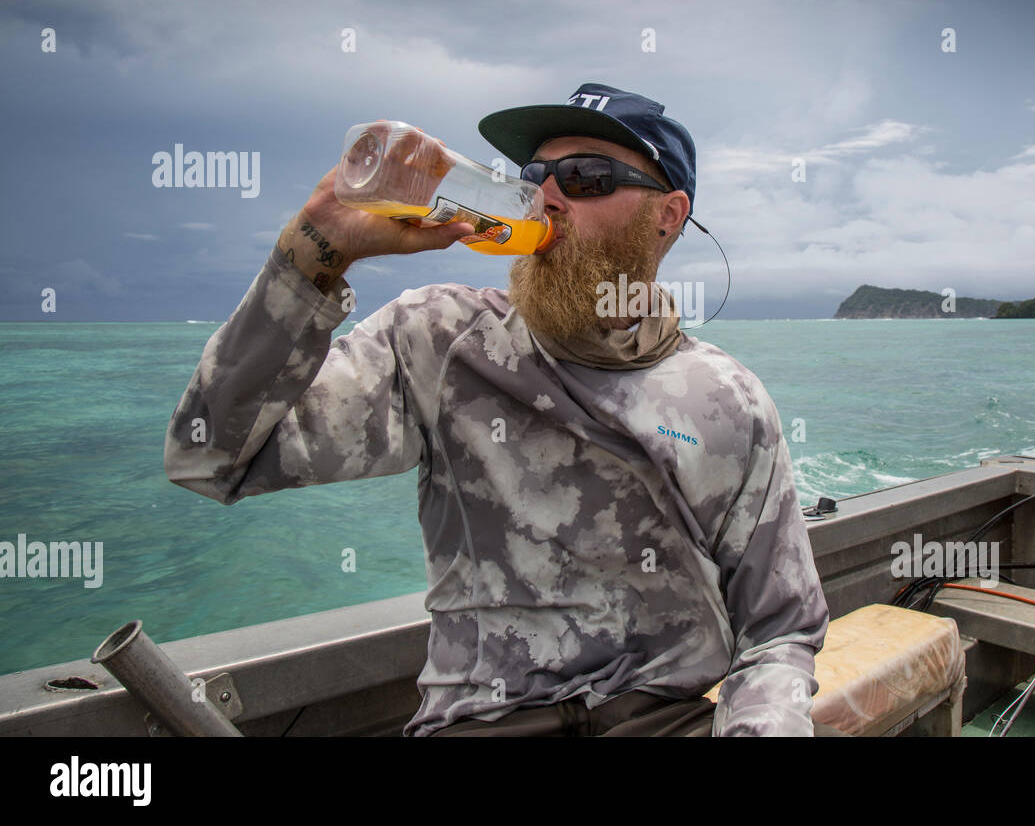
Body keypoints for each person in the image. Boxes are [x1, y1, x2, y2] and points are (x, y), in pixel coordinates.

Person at [164, 82, 835, 736]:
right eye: (534, 173)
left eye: (586, 177)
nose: (545, 196)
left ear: (668, 214)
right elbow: (211, 459)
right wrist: (314, 253)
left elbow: (779, 630)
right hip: (483, 721)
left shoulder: (727, 399)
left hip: (660, 717)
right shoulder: (439, 340)